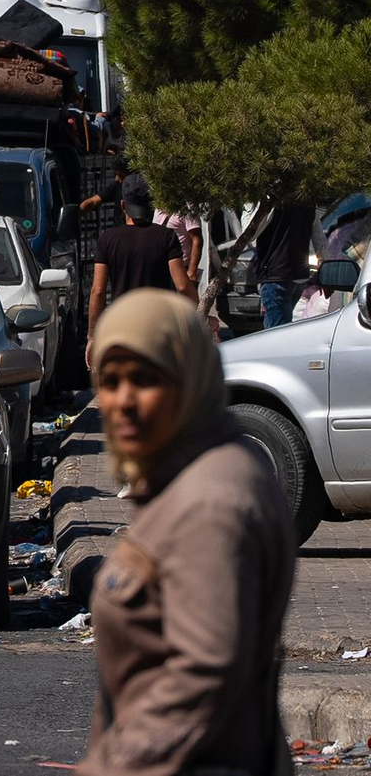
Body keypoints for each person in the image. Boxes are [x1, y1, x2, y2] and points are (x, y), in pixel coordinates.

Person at [81, 289, 295, 775]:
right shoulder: (188, 476)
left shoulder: (209, 501)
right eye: (110, 382)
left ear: (188, 378)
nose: (124, 402)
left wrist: (113, 765)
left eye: (146, 379)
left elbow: (207, 669)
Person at [86, 173, 196, 367]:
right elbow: (182, 285)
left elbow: (98, 291)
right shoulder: (166, 237)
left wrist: (92, 336)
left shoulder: (107, 239)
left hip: (121, 327)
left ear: (122, 205)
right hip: (159, 326)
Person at [251, 201, 317, 329]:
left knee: (276, 335)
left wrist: (252, 205)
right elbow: (318, 236)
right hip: (298, 276)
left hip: (276, 276)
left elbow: (250, 233)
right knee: (281, 329)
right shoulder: (307, 199)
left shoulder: (272, 199)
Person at [151, 206, 203, 283]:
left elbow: (196, 240)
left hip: (180, 268)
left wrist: (192, 271)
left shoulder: (187, 209)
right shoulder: (159, 208)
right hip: (160, 267)